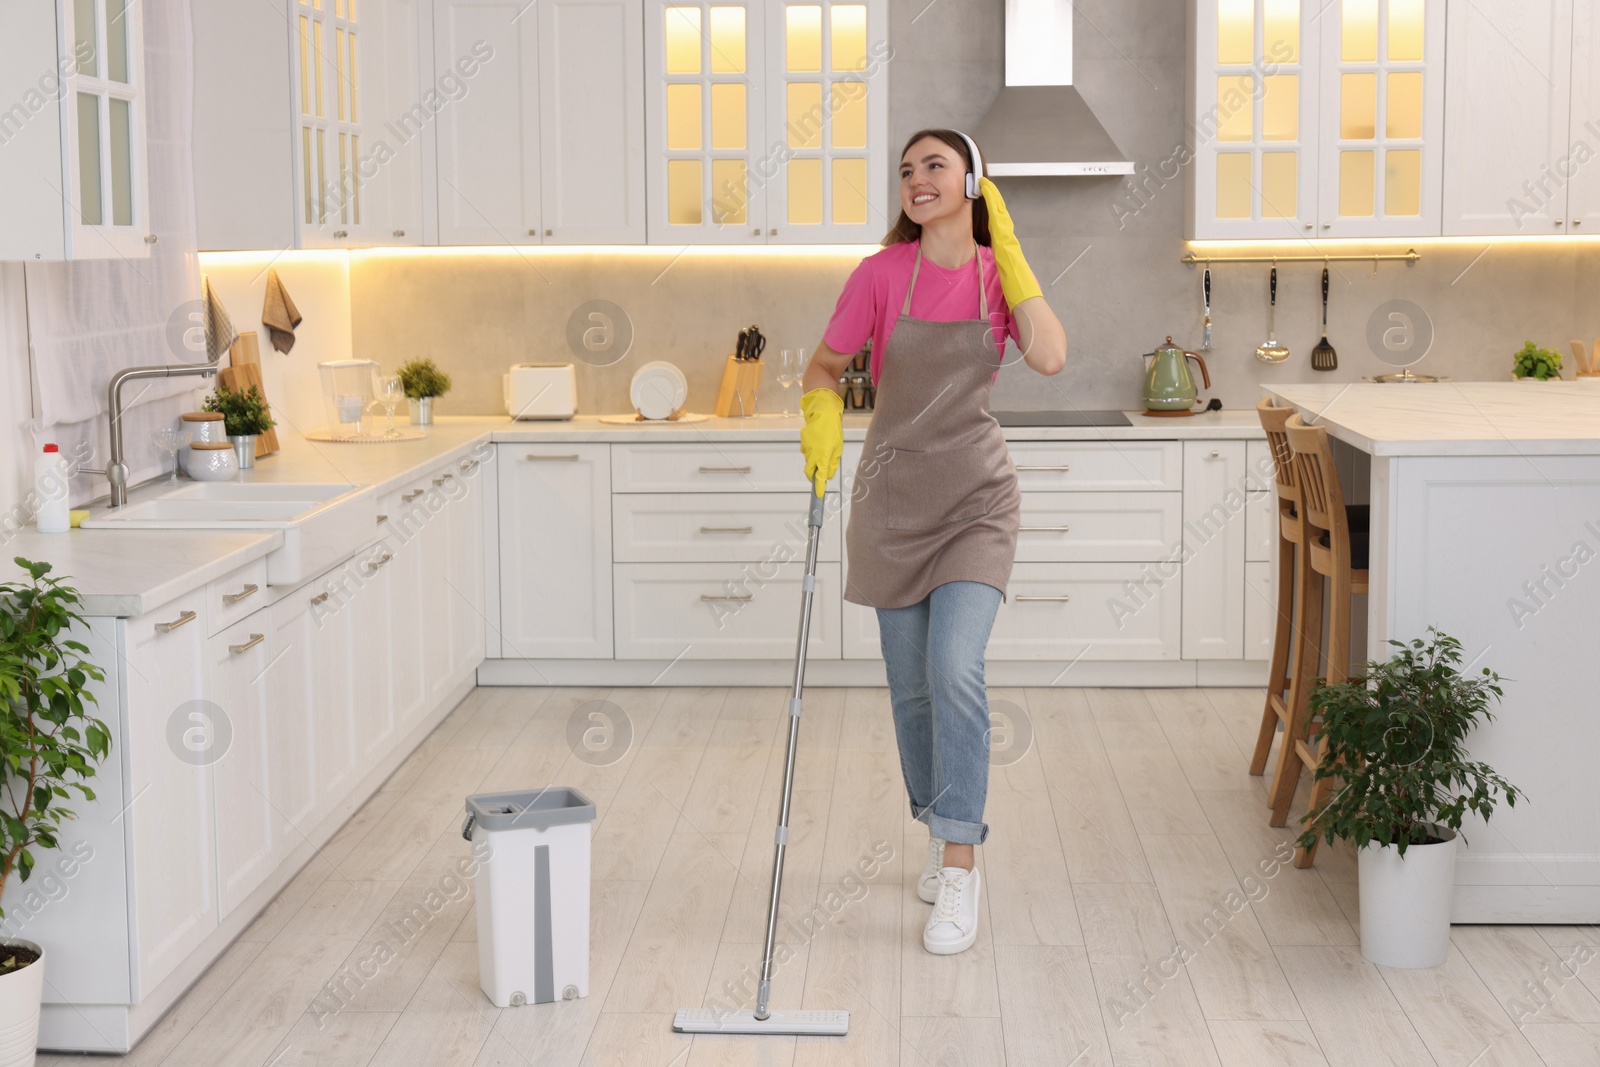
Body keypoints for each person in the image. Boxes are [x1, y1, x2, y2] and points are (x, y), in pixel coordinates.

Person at [798, 129, 1067, 955]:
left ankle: (961, 864)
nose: (917, 178)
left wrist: (1011, 251)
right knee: (911, 689)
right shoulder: (880, 274)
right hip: (891, 501)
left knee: (954, 666)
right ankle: (937, 817)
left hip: (976, 501)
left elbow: (1051, 356)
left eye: (935, 166)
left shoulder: (997, 277)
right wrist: (819, 412)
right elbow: (821, 367)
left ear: (972, 182)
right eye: (907, 168)